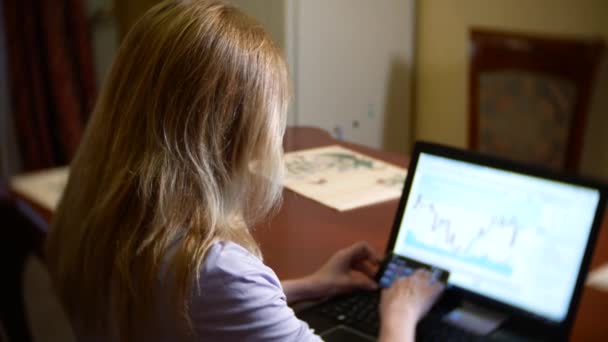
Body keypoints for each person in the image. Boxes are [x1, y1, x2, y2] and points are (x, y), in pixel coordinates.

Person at [46, 0, 444, 341]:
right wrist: (401, 312)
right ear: (230, 140)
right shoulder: (212, 267)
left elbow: (194, 308)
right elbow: (216, 290)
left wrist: (310, 285)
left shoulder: (99, 208)